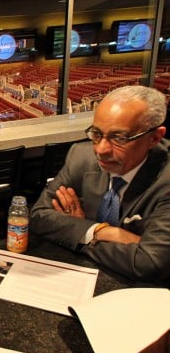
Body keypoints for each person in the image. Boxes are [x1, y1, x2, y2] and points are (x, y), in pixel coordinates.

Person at [29, 85, 170, 285]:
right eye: (96, 133)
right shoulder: (81, 156)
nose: (101, 150)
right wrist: (103, 231)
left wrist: (80, 234)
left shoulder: (166, 181)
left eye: (119, 138)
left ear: (155, 137)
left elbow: (149, 262)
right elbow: (39, 216)